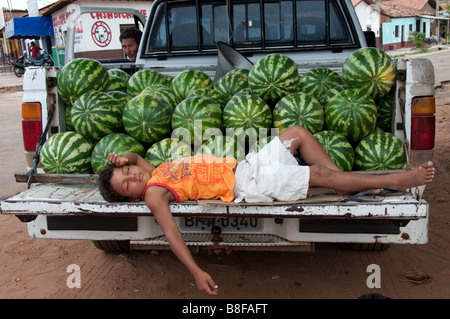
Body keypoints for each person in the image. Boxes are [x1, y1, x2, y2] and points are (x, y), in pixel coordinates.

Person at [98, 125, 435, 296]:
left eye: (129, 173)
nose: (133, 175)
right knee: (315, 174)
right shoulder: (155, 194)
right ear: (132, 200)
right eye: (127, 183)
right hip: (249, 187)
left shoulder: (153, 173)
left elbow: (139, 161)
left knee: (298, 134)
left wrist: (123, 159)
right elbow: (171, 233)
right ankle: (396, 180)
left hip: (246, 166)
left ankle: (339, 184)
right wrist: (196, 271)